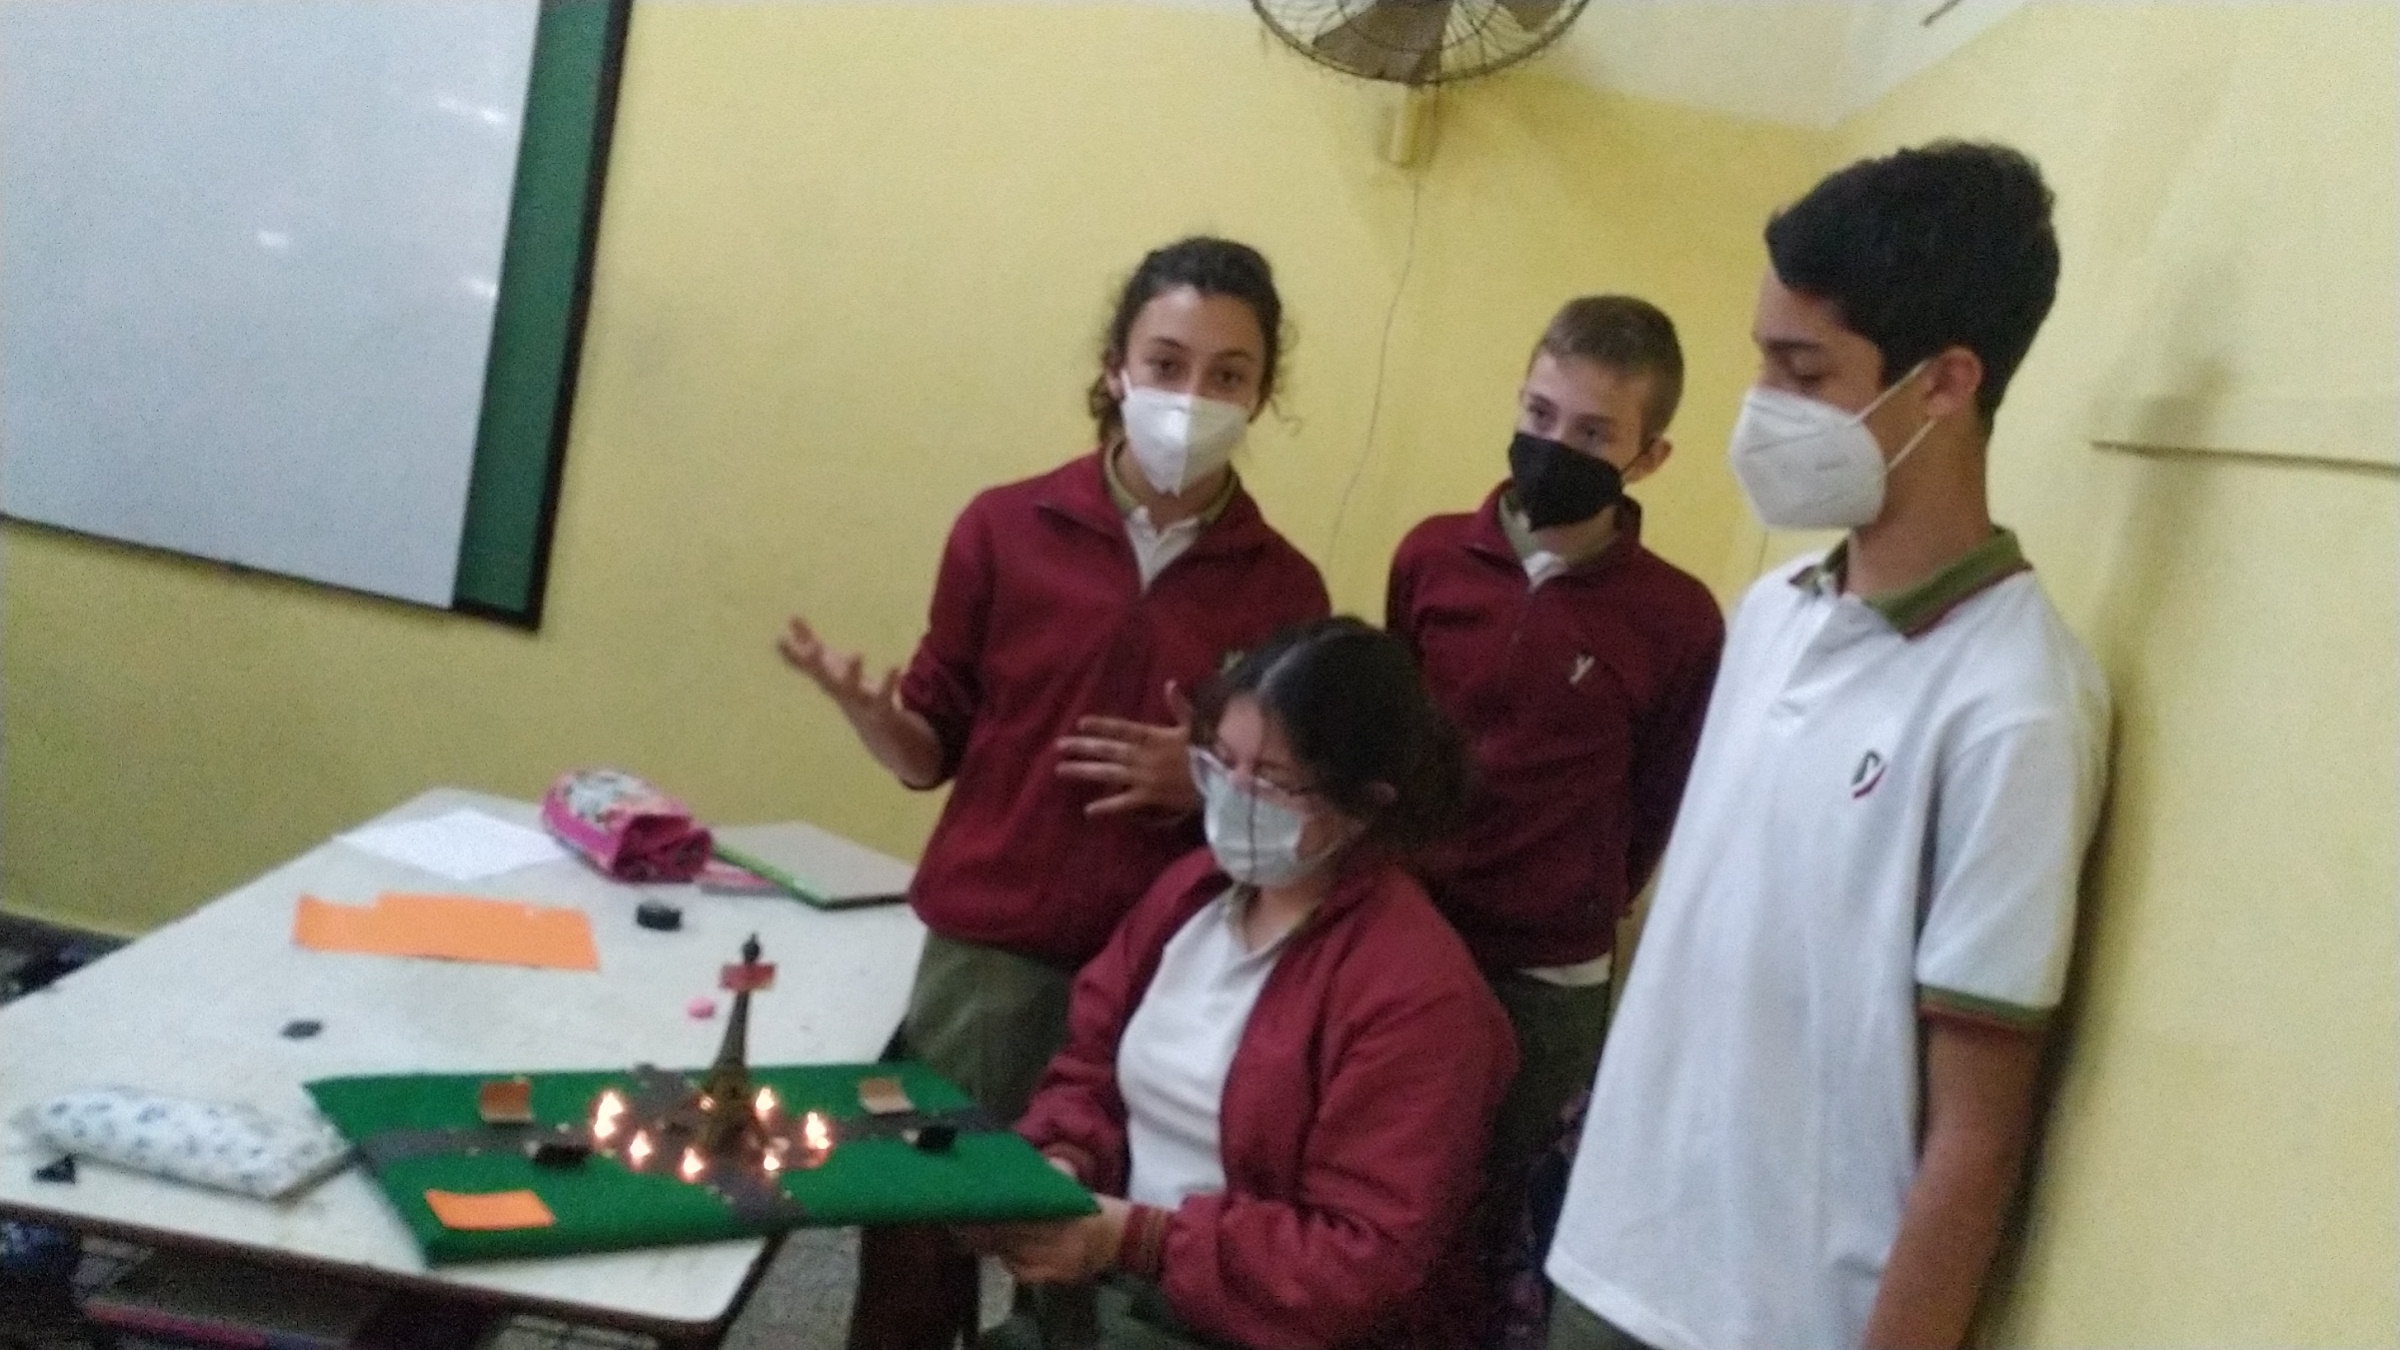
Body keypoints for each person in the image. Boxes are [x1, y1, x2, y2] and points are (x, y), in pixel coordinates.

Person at [1543, 141, 2111, 1350]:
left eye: (1802, 371)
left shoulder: (2014, 706)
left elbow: (1977, 1136)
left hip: (1771, 1322)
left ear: (1944, 383)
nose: (1761, 405)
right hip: (1606, 1262)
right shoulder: (1771, 615)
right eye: (1763, 358)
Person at [778, 237, 1331, 1347]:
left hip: (1163, 972)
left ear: (1262, 394)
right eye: (1166, 363)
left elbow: (1288, 805)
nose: (1192, 396)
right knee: (921, 1231)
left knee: (1080, 1259)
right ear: (1116, 367)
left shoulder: (1285, 588)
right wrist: (876, 717)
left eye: (1228, 374)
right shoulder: (1004, 528)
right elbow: (929, 750)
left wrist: (1199, 778)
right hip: (990, 957)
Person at [974, 618, 1517, 1350]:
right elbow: (1090, 1069)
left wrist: (1135, 1239)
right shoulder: (1192, 894)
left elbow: (1359, 1263)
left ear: (1366, 803)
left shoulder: (1420, 996)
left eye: (1270, 780)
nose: (1232, 796)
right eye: (1219, 762)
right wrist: (1063, 1160)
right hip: (1116, 1287)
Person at [1382, 296, 1724, 1336]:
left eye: (1592, 433)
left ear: (1649, 457)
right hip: (1406, 939)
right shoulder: (1430, 558)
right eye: (1539, 414)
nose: (1553, 447)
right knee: (1386, 1193)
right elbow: (1387, 742)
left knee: (1502, 1231)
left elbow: (1661, 800)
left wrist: (1572, 897)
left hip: (1548, 981)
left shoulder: (1680, 621)